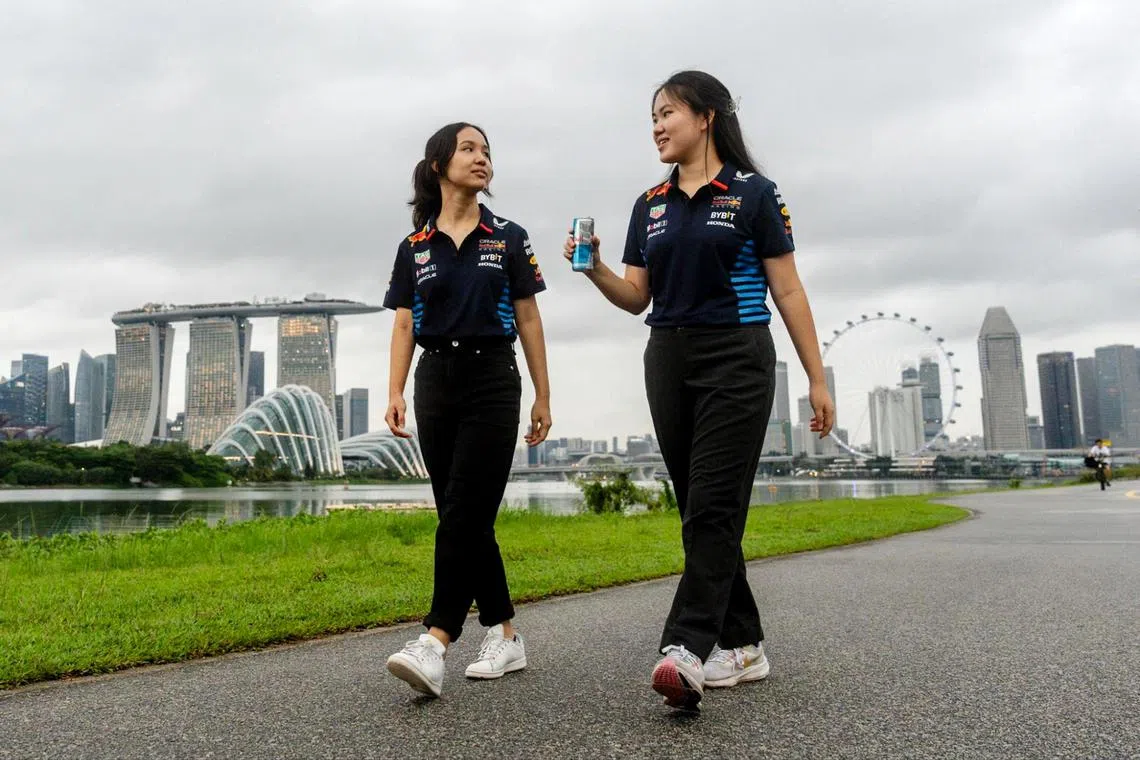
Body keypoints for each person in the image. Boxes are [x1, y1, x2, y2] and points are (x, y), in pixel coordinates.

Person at [565, 70, 834, 711]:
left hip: (737, 355)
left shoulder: (753, 194)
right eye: (652, 117)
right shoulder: (649, 205)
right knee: (698, 508)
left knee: (714, 505)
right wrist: (597, 266)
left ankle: (686, 647)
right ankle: (744, 644)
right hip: (667, 356)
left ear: (707, 116)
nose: (657, 126)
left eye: (668, 113)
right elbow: (637, 298)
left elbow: (788, 290)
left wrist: (817, 377)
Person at [382, 122, 552, 698]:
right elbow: (404, 323)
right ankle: (506, 634)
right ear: (439, 166)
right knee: (464, 514)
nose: (482, 160)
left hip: (491, 379)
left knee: (462, 513)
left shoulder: (508, 237)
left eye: (487, 152)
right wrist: (395, 390)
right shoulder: (414, 247)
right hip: (436, 380)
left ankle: (435, 641)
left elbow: (528, 317)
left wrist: (542, 395)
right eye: (469, 149)